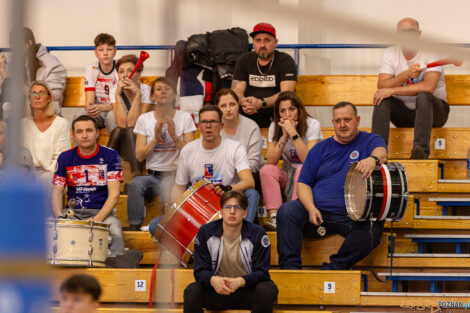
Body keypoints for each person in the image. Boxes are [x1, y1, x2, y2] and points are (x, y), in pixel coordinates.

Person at [277, 102, 388, 270]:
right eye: (338, 120)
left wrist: (373, 159)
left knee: (373, 229)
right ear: (333, 123)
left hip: (354, 217)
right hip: (319, 215)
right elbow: (303, 184)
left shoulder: (370, 140)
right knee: (287, 211)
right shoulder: (320, 148)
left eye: (347, 119)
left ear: (357, 120)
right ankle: (290, 269)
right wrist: (311, 208)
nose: (342, 124)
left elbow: (382, 153)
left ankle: (334, 268)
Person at [148, 105, 258, 235]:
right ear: (199, 126)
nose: (208, 125)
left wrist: (228, 188)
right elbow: (179, 187)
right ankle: (199, 249)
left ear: (221, 126)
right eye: (204, 122)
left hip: (227, 207)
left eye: (212, 121)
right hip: (198, 209)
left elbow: (249, 181)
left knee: (252, 193)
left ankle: (243, 239)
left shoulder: (235, 148)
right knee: (155, 225)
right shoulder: (188, 150)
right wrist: (173, 206)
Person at [52, 115, 142, 268]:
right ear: (73, 135)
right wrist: (60, 217)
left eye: (89, 130)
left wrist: (97, 219)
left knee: (114, 228)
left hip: (102, 212)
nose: (84, 135)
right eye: (79, 131)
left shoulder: (111, 155)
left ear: (97, 133)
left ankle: (117, 258)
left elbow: (114, 194)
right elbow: (57, 192)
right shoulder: (65, 157)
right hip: (73, 213)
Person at [183, 191, 278, 313]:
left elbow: (262, 272)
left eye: (237, 208)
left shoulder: (257, 234)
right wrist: (213, 280)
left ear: (244, 213)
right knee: (192, 291)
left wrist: (241, 281)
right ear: (221, 212)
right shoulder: (206, 232)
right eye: (228, 207)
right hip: (218, 291)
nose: (232, 211)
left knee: (268, 290)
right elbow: (200, 270)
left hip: (246, 290)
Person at [372, 17, 449, 159]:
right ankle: (378, 152)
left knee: (424, 95)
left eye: (411, 32)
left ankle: (419, 153)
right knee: (381, 99)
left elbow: (429, 87)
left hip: (435, 113)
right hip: (405, 114)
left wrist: (393, 90)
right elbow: (382, 86)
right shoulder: (391, 53)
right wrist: (406, 74)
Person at [126, 77, 196, 230]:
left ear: (174, 95)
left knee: (168, 185)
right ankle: (134, 228)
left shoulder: (184, 117)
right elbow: (139, 156)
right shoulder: (144, 119)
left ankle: (168, 226)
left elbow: (191, 156)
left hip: (176, 175)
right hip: (153, 176)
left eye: (167, 88)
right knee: (136, 183)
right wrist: (155, 139)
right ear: (152, 96)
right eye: (158, 89)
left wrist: (175, 137)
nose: (163, 92)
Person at [260, 91, 322, 230]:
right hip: (289, 174)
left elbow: (309, 161)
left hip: (311, 176)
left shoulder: (312, 124)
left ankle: (294, 215)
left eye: (291, 109)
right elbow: (270, 161)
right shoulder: (274, 127)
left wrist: (293, 134)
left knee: (302, 168)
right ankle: (275, 217)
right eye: (282, 111)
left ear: (299, 110)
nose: (287, 114)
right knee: (266, 170)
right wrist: (284, 137)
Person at [232, 23, 297, 128]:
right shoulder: (244, 60)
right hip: (248, 112)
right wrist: (245, 103)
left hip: (277, 113)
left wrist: (260, 103)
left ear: (275, 43)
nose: (262, 45)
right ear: (253, 43)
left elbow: (286, 94)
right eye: (258, 40)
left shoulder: (285, 60)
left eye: (267, 40)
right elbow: (236, 90)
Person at [2, 27, 67, 117]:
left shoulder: (51, 64)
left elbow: (52, 95)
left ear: (29, 43)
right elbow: (10, 91)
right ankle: (8, 122)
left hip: (46, 109)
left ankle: (9, 123)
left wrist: (26, 90)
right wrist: (2, 70)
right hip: (24, 110)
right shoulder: (17, 63)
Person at [107, 54, 152, 178]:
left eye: (130, 71)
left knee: (130, 130)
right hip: (124, 139)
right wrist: (117, 95)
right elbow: (122, 124)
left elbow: (134, 124)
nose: (125, 75)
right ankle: (134, 174)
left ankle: (105, 171)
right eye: (121, 72)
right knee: (117, 131)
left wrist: (137, 95)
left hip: (143, 140)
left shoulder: (146, 90)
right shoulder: (114, 90)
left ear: (139, 73)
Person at [22, 81, 70, 185]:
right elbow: (20, 156)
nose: (37, 96)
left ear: (49, 98)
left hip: (53, 175)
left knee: (45, 181)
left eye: (41, 93)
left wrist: (47, 173)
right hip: (27, 174)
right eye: (33, 93)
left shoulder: (61, 124)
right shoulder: (22, 124)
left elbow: (61, 157)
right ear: (29, 100)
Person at [216, 88, 264, 191]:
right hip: (220, 177)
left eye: (232, 104)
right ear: (217, 108)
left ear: (238, 106)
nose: (228, 109)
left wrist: (230, 172)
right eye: (223, 106)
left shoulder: (252, 127)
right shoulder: (212, 127)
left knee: (251, 192)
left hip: (249, 176)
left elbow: (253, 164)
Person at [74, 33, 119, 135]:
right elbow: (89, 102)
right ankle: (81, 151)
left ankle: (114, 151)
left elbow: (122, 104)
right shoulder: (91, 68)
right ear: (95, 52)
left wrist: (102, 107)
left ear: (115, 51)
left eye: (109, 49)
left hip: (115, 110)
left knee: (113, 116)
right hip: (98, 112)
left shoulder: (120, 67)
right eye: (101, 50)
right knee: (79, 116)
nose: (105, 53)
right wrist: (90, 108)